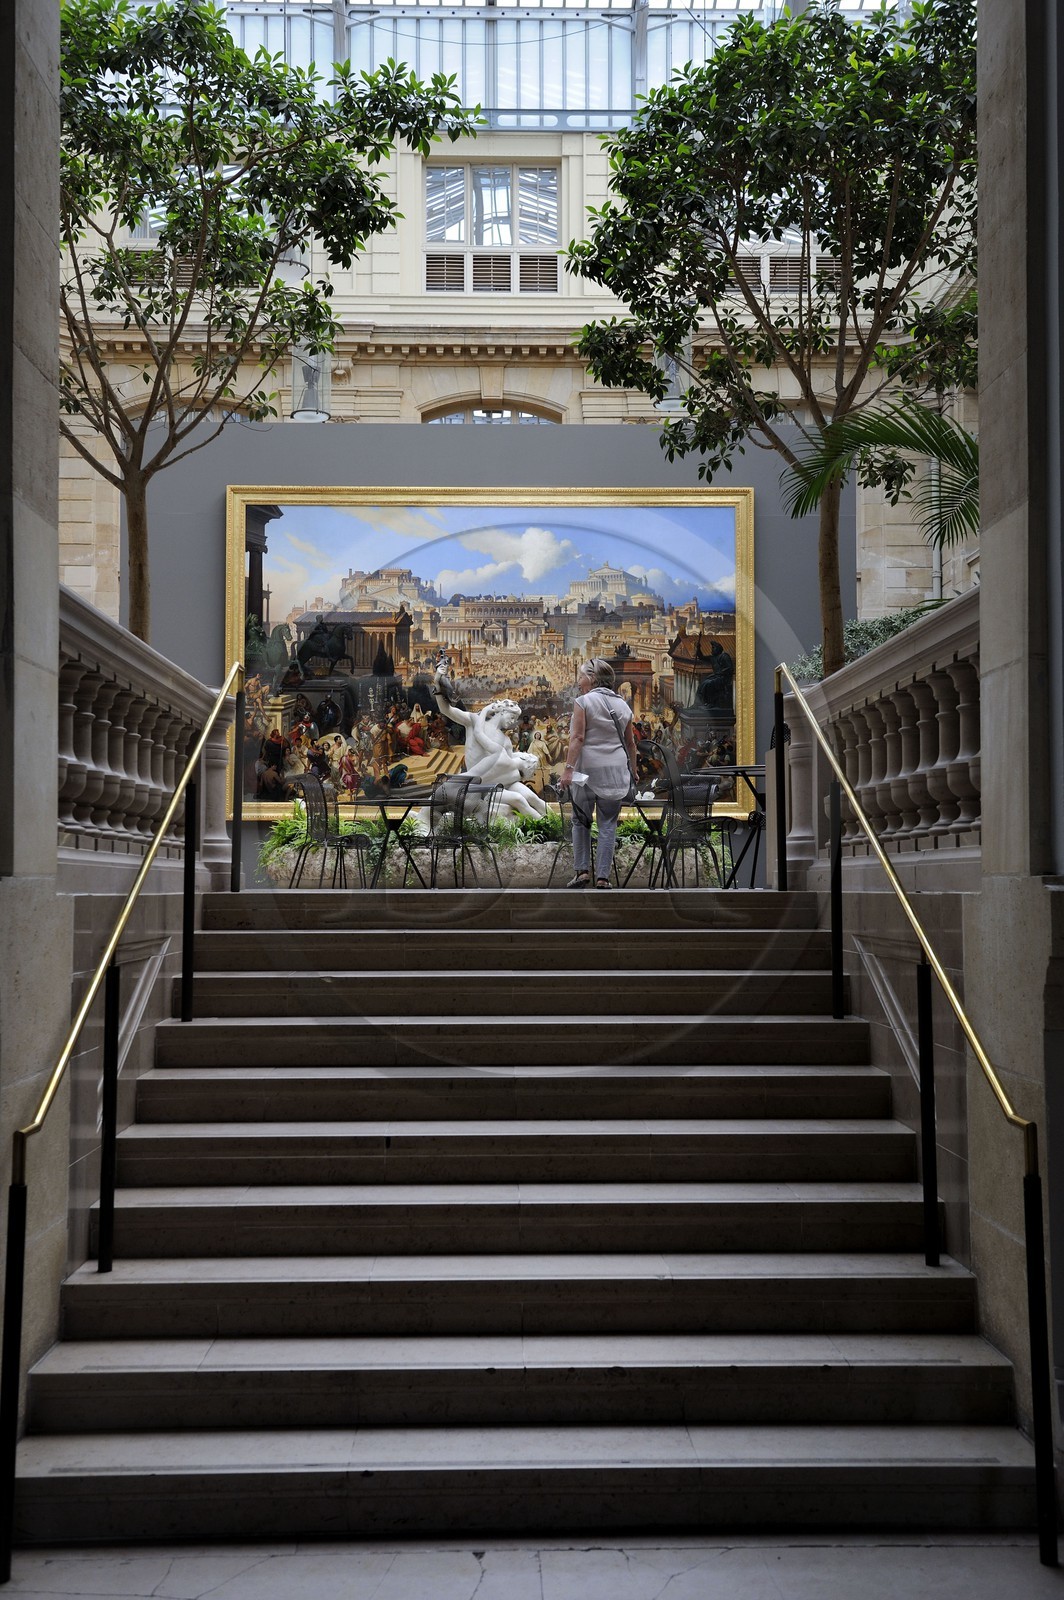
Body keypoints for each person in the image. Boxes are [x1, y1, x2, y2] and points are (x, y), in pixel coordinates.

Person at [560, 658, 639, 889]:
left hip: (587, 773)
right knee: (608, 825)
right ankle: (603, 878)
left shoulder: (584, 701)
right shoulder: (623, 705)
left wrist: (567, 770)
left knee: (580, 821)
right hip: (615, 772)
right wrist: (633, 769)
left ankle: (582, 872)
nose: (579, 680)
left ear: (593, 678)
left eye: (582, 675)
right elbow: (631, 743)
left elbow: (578, 738)